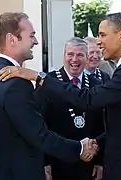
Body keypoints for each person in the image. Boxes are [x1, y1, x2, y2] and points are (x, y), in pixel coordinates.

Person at [0, 12, 121, 180]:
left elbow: (89, 99)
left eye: (103, 35)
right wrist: (93, 144)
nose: (99, 42)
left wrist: (38, 76)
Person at [0, 12, 97, 180]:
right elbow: (39, 134)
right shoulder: (15, 83)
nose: (36, 41)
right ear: (12, 39)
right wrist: (80, 149)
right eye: (31, 35)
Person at [36, 37, 105, 180]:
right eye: (70, 54)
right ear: (64, 56)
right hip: (57, 163)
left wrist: (100, 161)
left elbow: (101, 126)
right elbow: (40, 126)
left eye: (80, 55)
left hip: (88, 163)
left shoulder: (96, 85)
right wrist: (44, 163)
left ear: (86, 58)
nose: (75, 59)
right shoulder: (48, 83)